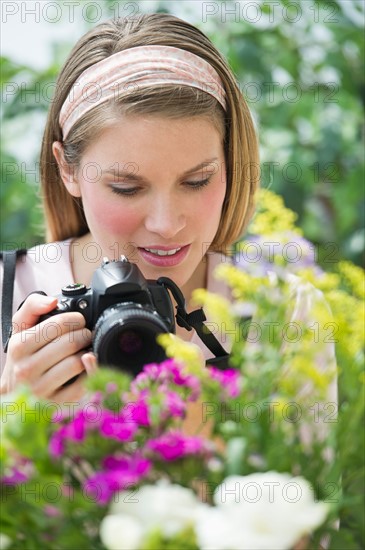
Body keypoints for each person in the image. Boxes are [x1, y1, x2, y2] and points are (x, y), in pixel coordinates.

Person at [0, 13, 260, 403]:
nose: (166, 225)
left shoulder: (282, 311)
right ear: (67, 169)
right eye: (126, 188)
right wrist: (15, 420)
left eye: (196, 181)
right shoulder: (9, 296)